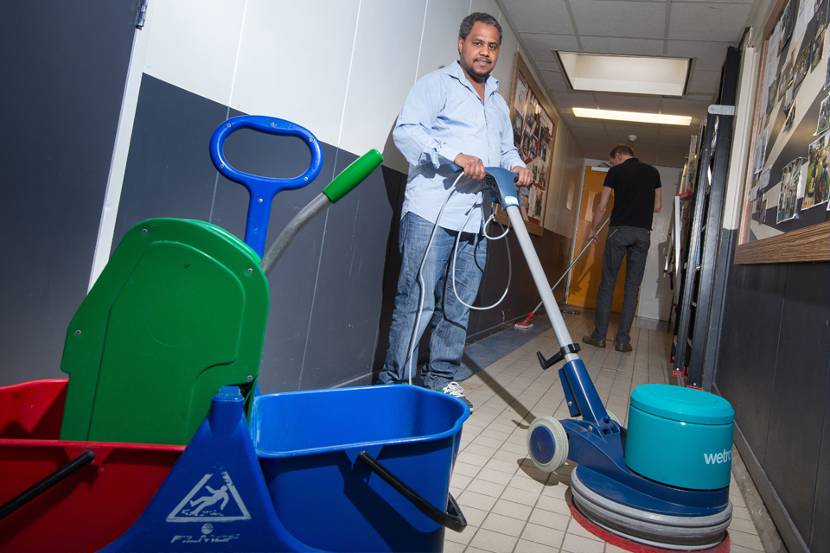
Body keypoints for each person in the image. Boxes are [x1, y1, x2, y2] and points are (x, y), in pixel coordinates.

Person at [376, 12, 532, 410]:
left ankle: (440, 377)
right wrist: (454, 156)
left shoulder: (497, 104)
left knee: (458, 305)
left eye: (492, 46)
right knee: (418, 300)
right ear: (461, 44)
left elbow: (507, 149)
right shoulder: (435, 85)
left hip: (476, 218)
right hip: (432, 213)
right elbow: (407, 132)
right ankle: (397, 383)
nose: (485, 52)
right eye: (478, 43)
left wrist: (518, 165)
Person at [583, 145, 661, 353]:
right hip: (642, 234)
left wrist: (593, 230)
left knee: (608, 283)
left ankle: (599, 337)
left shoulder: (616, 171)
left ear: (618, 156)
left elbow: (602, 205)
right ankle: (622, 341)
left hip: (619, 231)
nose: (612, 164)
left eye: (612, 161)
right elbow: (657, 206)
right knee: (632, 287)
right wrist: (639, 204)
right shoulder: (653, 172)